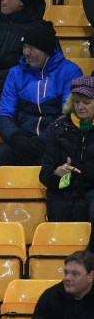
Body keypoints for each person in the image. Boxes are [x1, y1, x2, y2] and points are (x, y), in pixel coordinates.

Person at [0, 24, 82, 178]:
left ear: (46, 50)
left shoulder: (69, 71)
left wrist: (44, 139)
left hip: (54, 140)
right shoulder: (15, 73)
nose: (26, 52)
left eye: (31, 47)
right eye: (24, 47)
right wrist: (15, 138)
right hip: (21, 138)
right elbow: (5, 113)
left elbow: (69, 112)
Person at [40, 76, 94, 224]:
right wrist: (57, 172)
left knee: (84, 208)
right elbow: (45, 174)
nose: (80, 107)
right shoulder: (57, 129)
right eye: (76, 102)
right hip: (63, 191)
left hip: (91, 192)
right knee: (60, 209)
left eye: (87, 102)